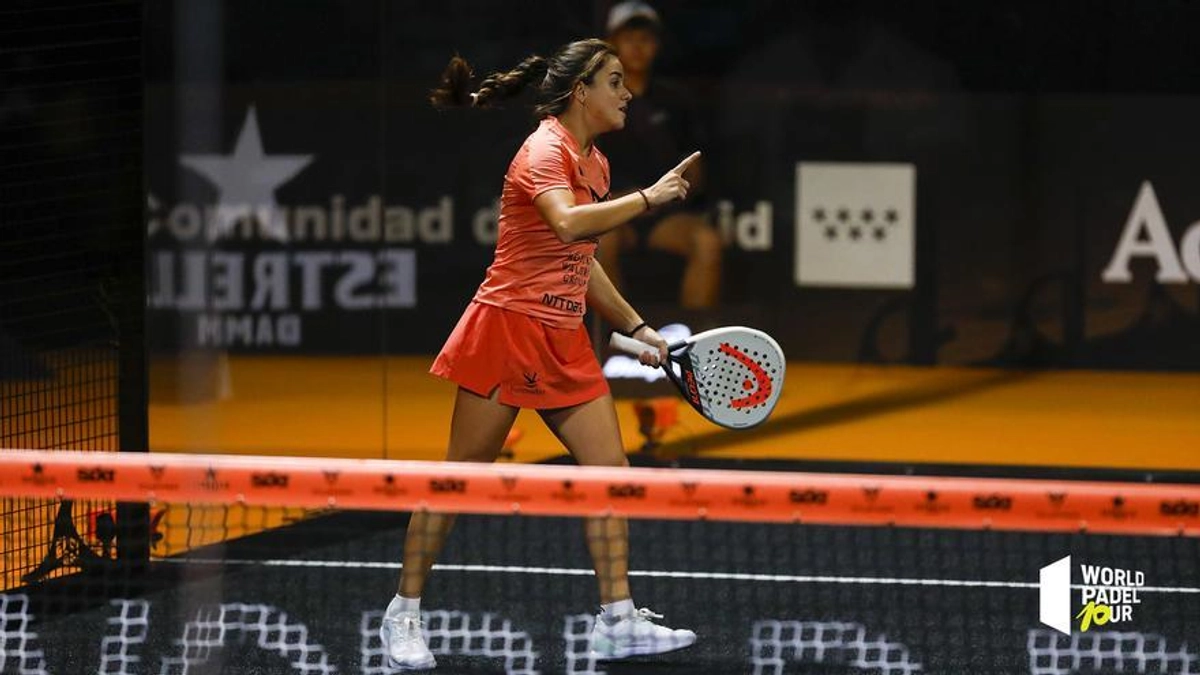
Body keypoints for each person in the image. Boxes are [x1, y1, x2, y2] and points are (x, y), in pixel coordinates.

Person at [379, 39, 699, 671]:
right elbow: (568, 225)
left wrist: (639, 326)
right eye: (613, 81)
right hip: (507, 331)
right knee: (457, 482)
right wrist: (649, 199)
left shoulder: (597, 165)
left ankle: (617, 619)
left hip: (564, 340)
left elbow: (584, 261)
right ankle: (402, 616)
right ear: (581, 91)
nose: (626, 91)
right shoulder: (543, 150)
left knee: (609, 474)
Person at [597, 1, 723, 310]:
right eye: (629, 38)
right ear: (611, 44)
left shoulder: (676, 100)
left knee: (707, 243)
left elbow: (696, 167)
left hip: (666, 216)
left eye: (646, 39)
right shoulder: (593, 98)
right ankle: (618, 342)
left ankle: (691, 345)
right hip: (614, 213)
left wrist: (671, 194)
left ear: (656, 45)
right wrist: (616, 200)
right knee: (599, 245)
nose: (637, 47)